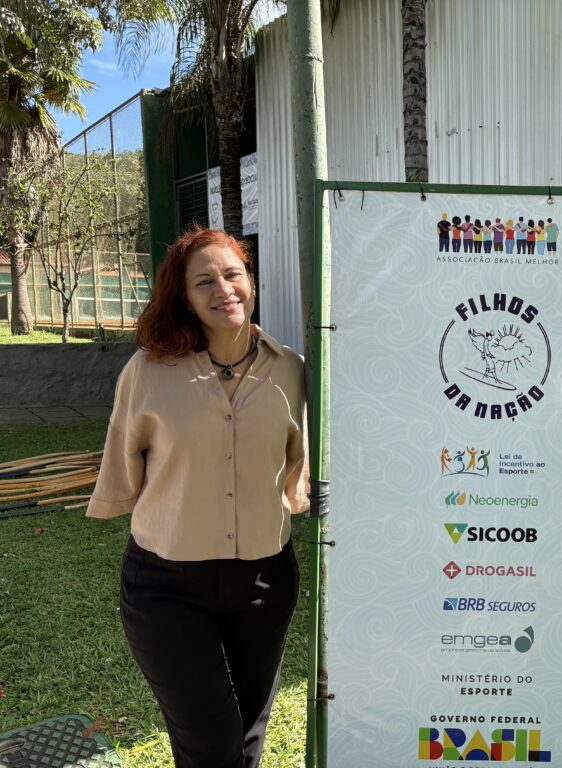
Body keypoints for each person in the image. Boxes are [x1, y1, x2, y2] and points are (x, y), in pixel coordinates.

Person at [88, 227, 307, 768]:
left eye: (233, 274)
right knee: (210, 743)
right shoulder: (148, 371)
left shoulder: (292, 370)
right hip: (167, 588)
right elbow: (123, 466)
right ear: (183, 297)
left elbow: (299, 467)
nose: (223, 289)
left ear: (250, 281)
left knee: (247, 738)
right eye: (204, 281)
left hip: (264, 582)